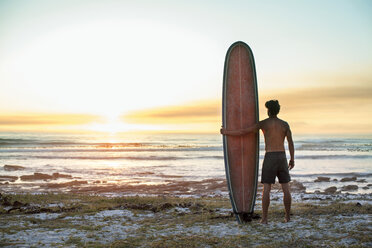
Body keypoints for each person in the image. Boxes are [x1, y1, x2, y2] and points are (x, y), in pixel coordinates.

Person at [220, 100, 294, 224]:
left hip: (270, 156)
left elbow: (244, 131)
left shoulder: (264, 124)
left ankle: (264, 219)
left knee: (266, 189)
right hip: (281, 156)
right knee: (286, 189)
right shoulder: (284, 124)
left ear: (268, 110)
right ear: (278, 110)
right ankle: (287, 217)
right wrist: (292, 158)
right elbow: (290, 142)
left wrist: (227, 132)